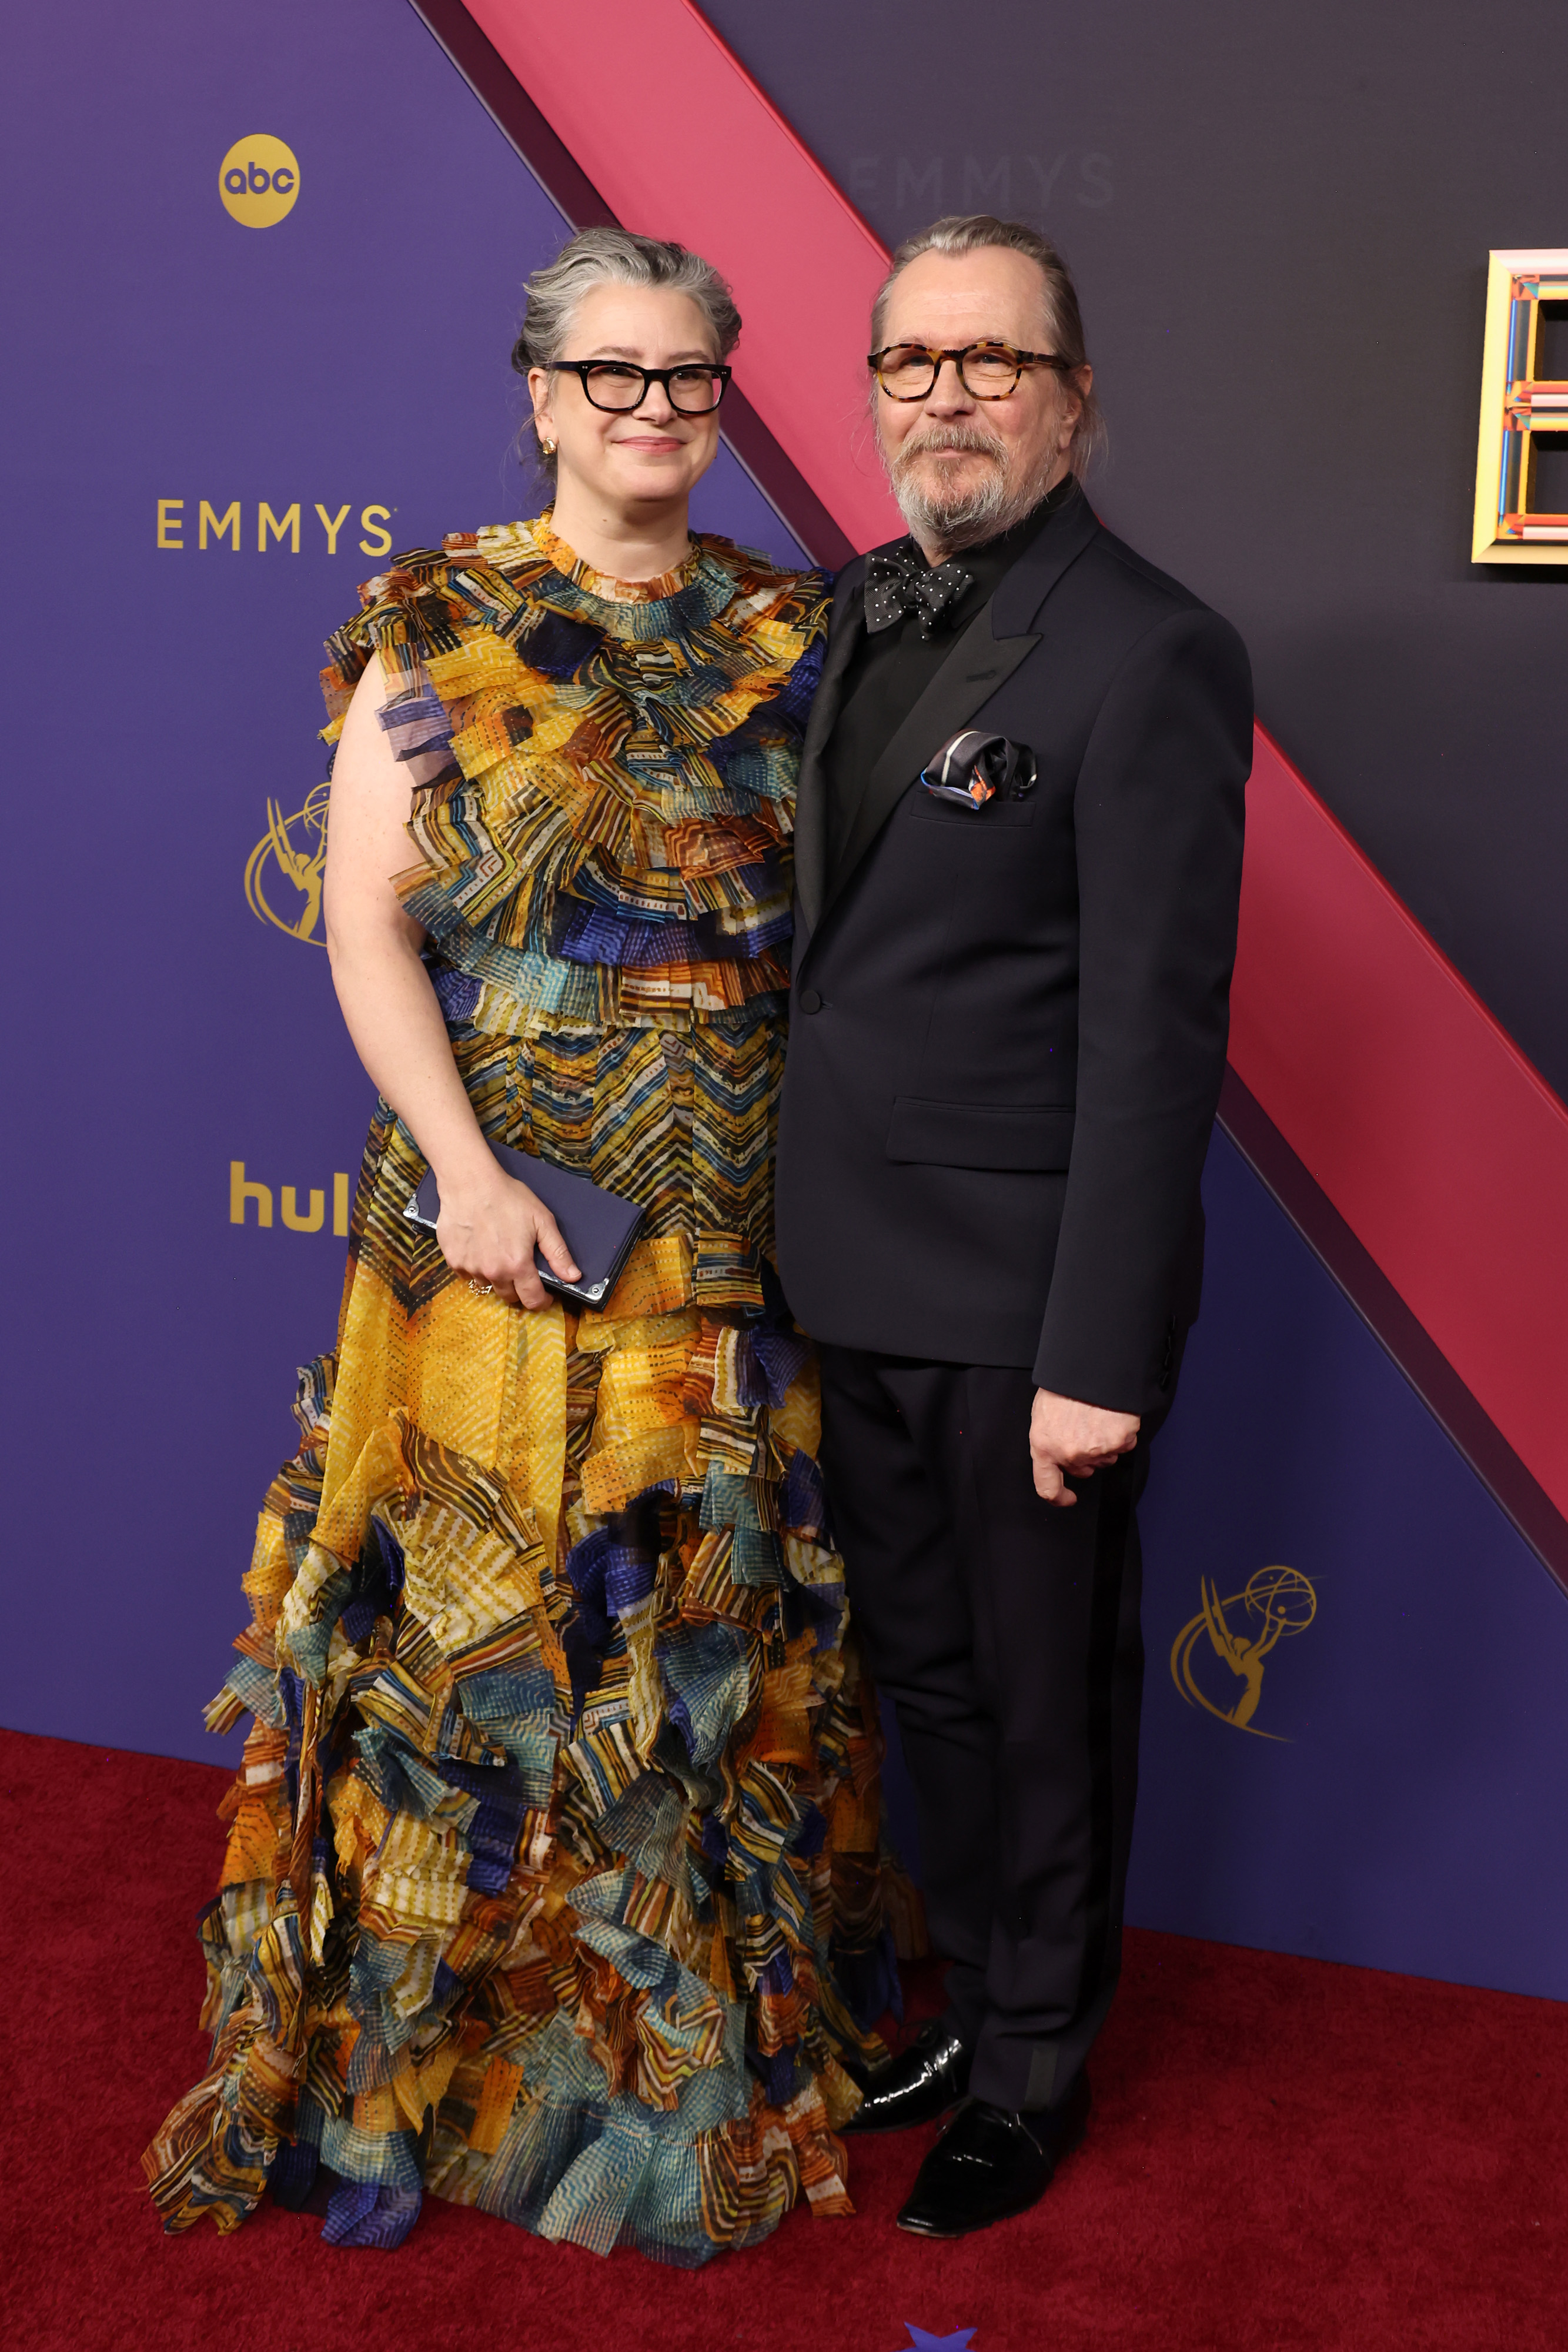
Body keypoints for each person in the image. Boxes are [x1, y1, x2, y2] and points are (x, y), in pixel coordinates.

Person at [143, 227, 905, 2267]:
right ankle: (434, 2054)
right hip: (485, 1204)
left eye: (690, 378)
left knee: (692, 1626)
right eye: (615, 375)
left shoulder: (790, 628)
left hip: (724, 1217)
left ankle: (673, 2049)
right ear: (541, 393)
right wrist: (469, 1171)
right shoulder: (442, 615)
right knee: (467, 1639)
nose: (654, 411)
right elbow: (369, 923)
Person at [774, 214, 1253, 2240]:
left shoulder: (1151, 649)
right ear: (871, 387)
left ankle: (1040, 2070)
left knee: (1041, 1701)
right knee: (932, 1687)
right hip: (850, 1277)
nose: (945, 395)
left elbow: (1153, 1046)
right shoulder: (853, 611)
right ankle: (977, 2005)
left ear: (1072, 402)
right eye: (911, 362)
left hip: (1022, 1307)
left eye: (992, 360)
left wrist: (1095, 1356)